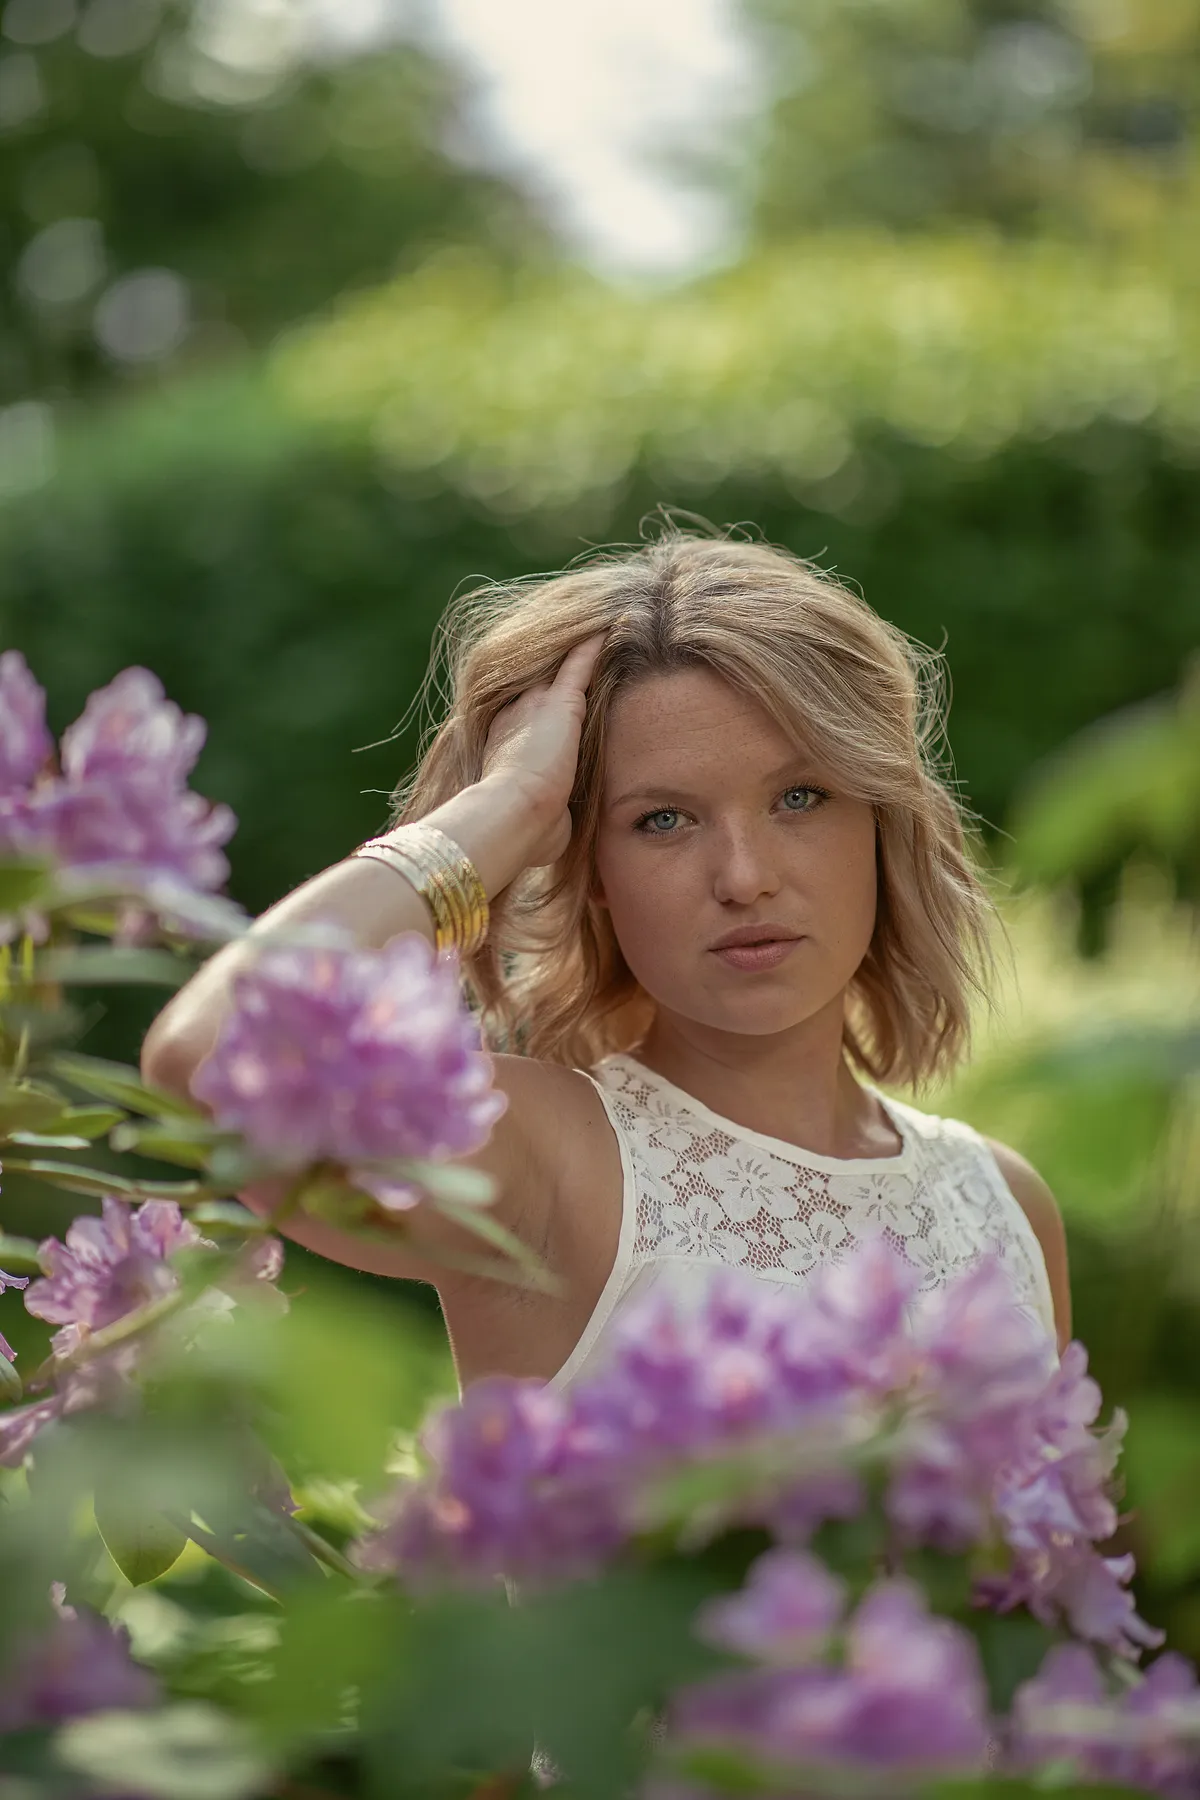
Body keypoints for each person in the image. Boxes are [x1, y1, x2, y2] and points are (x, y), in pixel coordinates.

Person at [141, 528, 1071, 1389]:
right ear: (589, 869)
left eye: (801, 797)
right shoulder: (542, 1162)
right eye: (662, 820)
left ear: (880, 816)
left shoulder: (1005, 1204)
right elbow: (211, 1060)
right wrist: (503, 807)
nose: (744, 878)